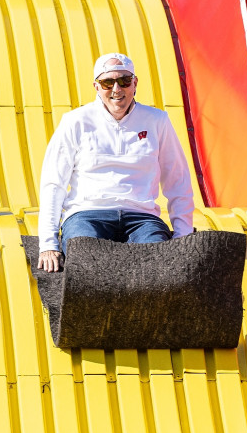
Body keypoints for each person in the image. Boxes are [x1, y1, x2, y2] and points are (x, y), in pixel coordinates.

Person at [37, 52, 194, 272]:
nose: (116, 89)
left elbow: (178, 180)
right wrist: (48, 243)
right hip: (87, 214)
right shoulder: (75, 121)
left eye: (124, 80)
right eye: (107, 82)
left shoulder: (157, 121)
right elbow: (53, 184)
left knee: (159, 265)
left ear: (135, 83)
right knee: (85, 259)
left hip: (142, 217)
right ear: (96, 87)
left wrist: (183, 236)